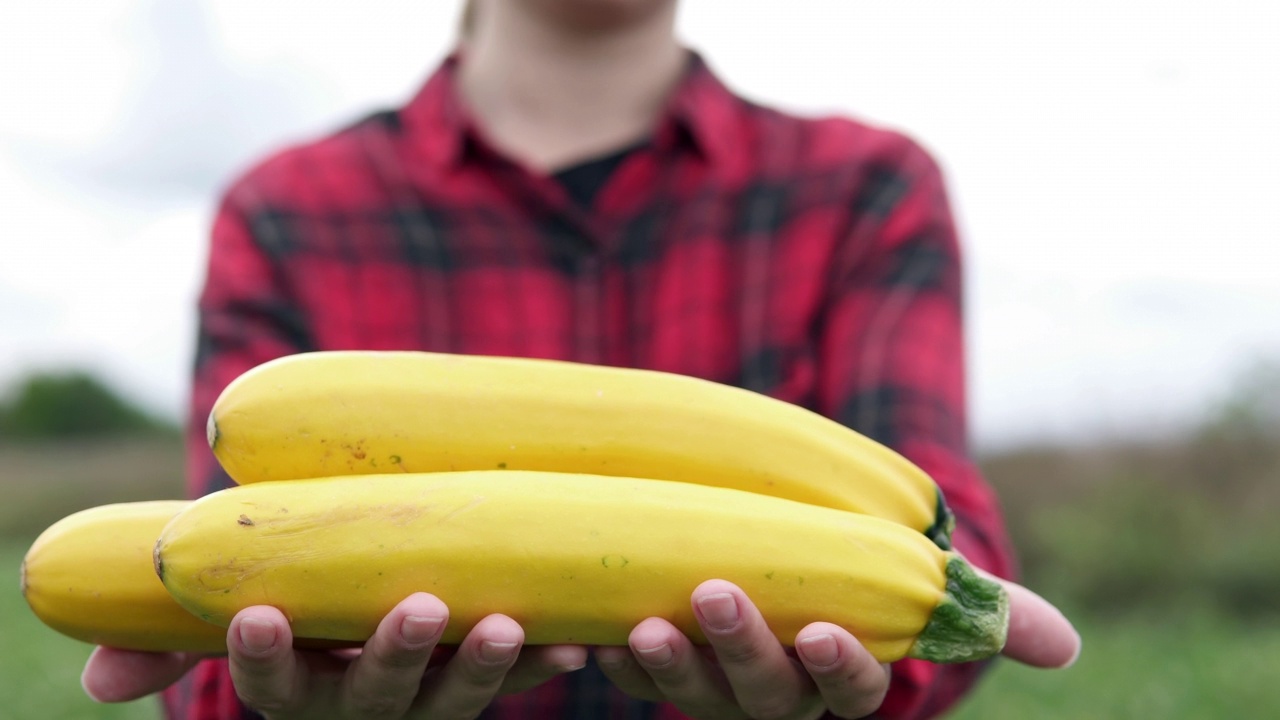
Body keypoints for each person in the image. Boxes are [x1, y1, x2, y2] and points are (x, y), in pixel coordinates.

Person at [81, 0, 1081, 717]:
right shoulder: (284, 211)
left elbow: (939, 547)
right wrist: (270, 700)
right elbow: (227, 571)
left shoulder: (869, 190)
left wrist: (897, 666)